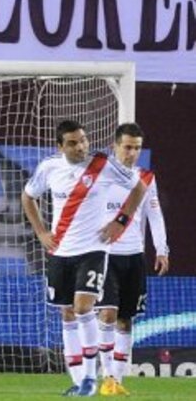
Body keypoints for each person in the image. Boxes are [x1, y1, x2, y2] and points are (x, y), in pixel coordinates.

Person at [21, 120, 147, 397]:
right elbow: (28, 197)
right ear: (60, 146)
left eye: (83, 140)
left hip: (93, 250)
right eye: (73, 143)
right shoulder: (49, 168)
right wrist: (41, 232)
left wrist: (121, 221)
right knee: (66, 313)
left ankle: (92, 377)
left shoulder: (103, 165)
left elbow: (138, 188)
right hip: (60, 251)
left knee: (82, 308)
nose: (81, 147)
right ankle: (80, 382)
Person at [96, 123, 169, 396]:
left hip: (134, 256)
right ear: (115, 146)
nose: (132, 153)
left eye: (137, 148)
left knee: (126, 320)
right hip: (105, 255)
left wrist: (162, 249)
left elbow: (154, 215)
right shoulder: (101, 175)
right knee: (107, 313)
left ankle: (117, 379)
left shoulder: (146, 178)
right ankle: (106, 377)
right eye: (127, 147)